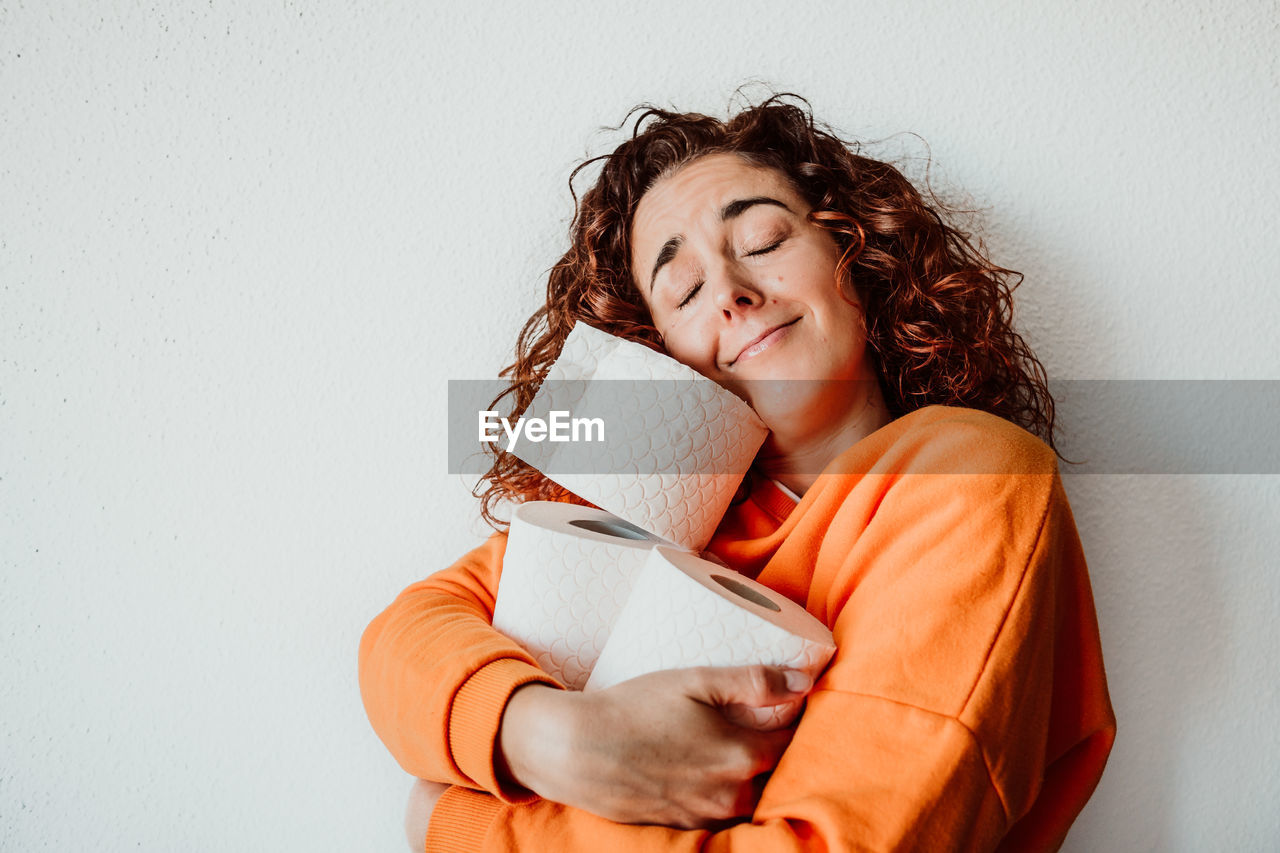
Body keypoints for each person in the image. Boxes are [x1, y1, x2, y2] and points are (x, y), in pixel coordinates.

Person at [359, 94, 1116, 852]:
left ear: (856, 250)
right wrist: (546, 734)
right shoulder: (663, 504)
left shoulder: (974, 480)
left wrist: (458, 822)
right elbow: (405, 636)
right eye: (683, 291)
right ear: (661, 353)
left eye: (761, 239)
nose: (728, 291)